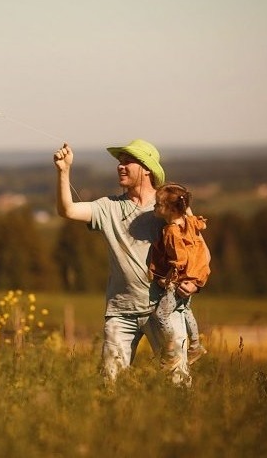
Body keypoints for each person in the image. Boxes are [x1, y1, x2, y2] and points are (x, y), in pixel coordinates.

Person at [53, 139, 198, 384]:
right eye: (119, 162)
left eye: (127, 161)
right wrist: (64, 170)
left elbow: (198, 251)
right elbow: (67, 210)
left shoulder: (171, 207)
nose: (120, 166)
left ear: (147, 169)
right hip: (121, 312)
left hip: (165, 310)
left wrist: (194, 283)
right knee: (111, 384)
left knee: (177, 383)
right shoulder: (108, 207)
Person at [149, 183, 211, 366]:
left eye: (157, 204)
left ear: (168, 209)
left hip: (179, 281)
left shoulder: (170, 231)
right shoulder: (189, 222)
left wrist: (168, 279)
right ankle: (195, 345)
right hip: (192, 278)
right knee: (185, 310)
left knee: (160, 314)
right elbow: (201, 225)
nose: (154, 207)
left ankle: (170, 348)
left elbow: (180, 259)